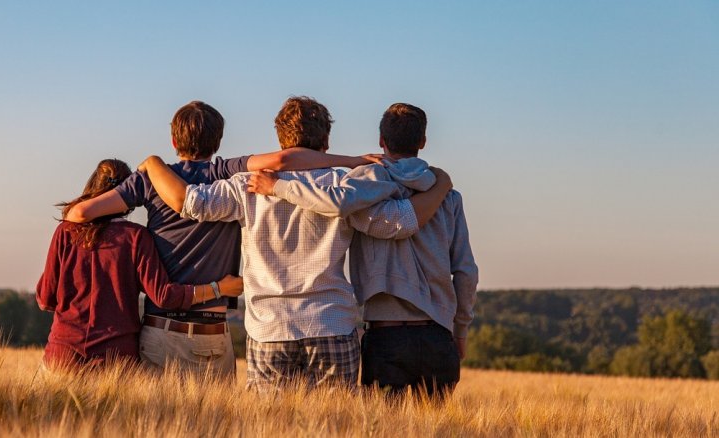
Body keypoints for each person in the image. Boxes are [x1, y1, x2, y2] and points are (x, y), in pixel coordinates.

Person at [137, 96, 453, 391]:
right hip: (331, 323)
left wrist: (153, 163)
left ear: (280, 139)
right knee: (334, 427)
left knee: (269, 426)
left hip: (269, 328)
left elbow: (190, 202)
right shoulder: (345, 185)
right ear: (326, 140)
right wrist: (440, 187)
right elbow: (398, 223)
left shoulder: (246, 185)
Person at [63, 101, 382, 378]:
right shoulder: (226, 172)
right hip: (213, 332)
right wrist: (352, 161)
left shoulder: (150, 179)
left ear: (174, 140)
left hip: (161, 329)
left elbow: (79, 215)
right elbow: (284, 161)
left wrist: (147, 170)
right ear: (218, 141)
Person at [248, 103, 478, 398]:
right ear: (422, 142)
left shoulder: (361, 187)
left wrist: (278, 187)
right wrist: (460, 330)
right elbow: (466, 271)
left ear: (381, 140)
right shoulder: (448, 196)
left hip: (385, 335)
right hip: (438, 335)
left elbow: (335, 202)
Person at [36, 158, 243, 372]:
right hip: (116, 360)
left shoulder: (65, 232)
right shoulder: (136, 237)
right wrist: (218, 289)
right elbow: (164, 296)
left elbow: (46, 299)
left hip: (62, 355)